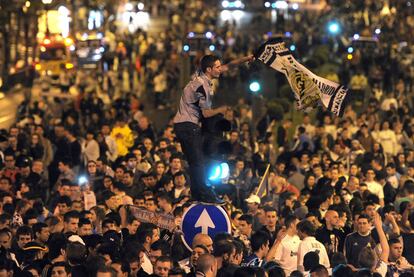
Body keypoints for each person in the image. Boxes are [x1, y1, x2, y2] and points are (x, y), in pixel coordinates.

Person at [173, 54, 252, 204]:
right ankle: (205, 193)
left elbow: (228, 66)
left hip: (181, 125)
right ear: (209, 69)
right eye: (217, 67)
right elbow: (206, 113)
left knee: (194, 162)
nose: (220, 69)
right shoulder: (203, 87)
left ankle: (196, 193)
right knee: (199, 162)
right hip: (189, 126)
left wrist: (245, 58)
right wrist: (222, 109)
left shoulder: (199, 76)